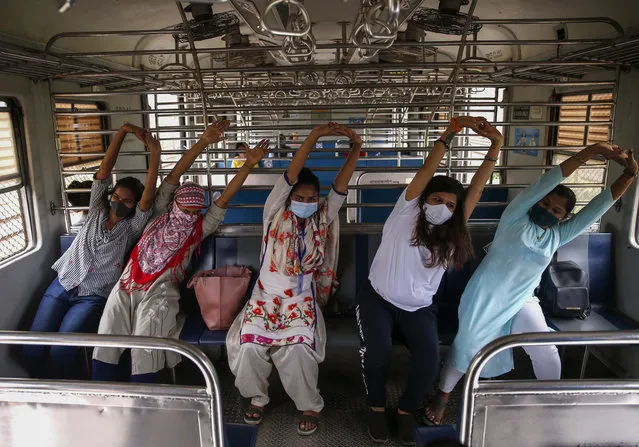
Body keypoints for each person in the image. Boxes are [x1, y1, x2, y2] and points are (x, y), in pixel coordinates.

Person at [426, 143, 638, 425]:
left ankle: (551, 400)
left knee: (545, 348)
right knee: (467, 344)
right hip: (486, 294)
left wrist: (629, 175)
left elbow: (598, 207)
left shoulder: (557, 236)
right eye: (545, 203)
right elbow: (546, 182)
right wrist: (590, 152)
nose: (548, 210)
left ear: (564, 218)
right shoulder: (514, 217)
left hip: (523, 299)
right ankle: (443, 395)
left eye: (557, 211)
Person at [356, 116, 504, 445]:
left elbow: (476, 188)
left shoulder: (451, 230)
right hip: (377, 299)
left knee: (428, 360)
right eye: (437, 199)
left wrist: (496, 146)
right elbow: (426, 170)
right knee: (378, 353)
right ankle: (376, 407)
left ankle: (407, 411)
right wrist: (450, 131)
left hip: (419, 307)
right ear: (424, 199)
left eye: (451, 204)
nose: (443, 206)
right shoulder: (406, 212)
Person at [91, 120, 270, 383]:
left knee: (147, 338)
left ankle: (147, 393)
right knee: (109, 332)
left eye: (194, 212)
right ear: (174, 205)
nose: (188, 217)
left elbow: (224, 199)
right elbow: (175, 175)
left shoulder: (200, 228)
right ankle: (101, 390)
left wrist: (248, 165)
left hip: (161, 289)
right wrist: (203, 141)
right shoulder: (157, 214)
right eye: (185, 211)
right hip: (128, 282)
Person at [226, 122, 362, 436]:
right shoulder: (273, 212)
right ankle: (257, 396)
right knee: (247, 347)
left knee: (299, 349)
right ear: (288, 197)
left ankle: (310, 404)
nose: (305, 200)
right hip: (265, 293)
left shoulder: (322, 216)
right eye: (299, 195)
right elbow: (291, 173)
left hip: (301, 296)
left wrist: (355, 148)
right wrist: (313, 137)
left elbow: (342, 184)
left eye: (311, 196)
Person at [24, 123, 160, 378]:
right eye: (117, 197)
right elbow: (104, 172)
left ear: (134, 206)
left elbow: (149, 196)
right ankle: (44, 387)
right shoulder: (96, 211)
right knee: (32, 349)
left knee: (61, 352)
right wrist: (120, 133)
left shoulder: (132, 227)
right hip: (64, 282)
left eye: (127, 201)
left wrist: (154, 154)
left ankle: (76, 386)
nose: (119, 203)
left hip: (93, 295)